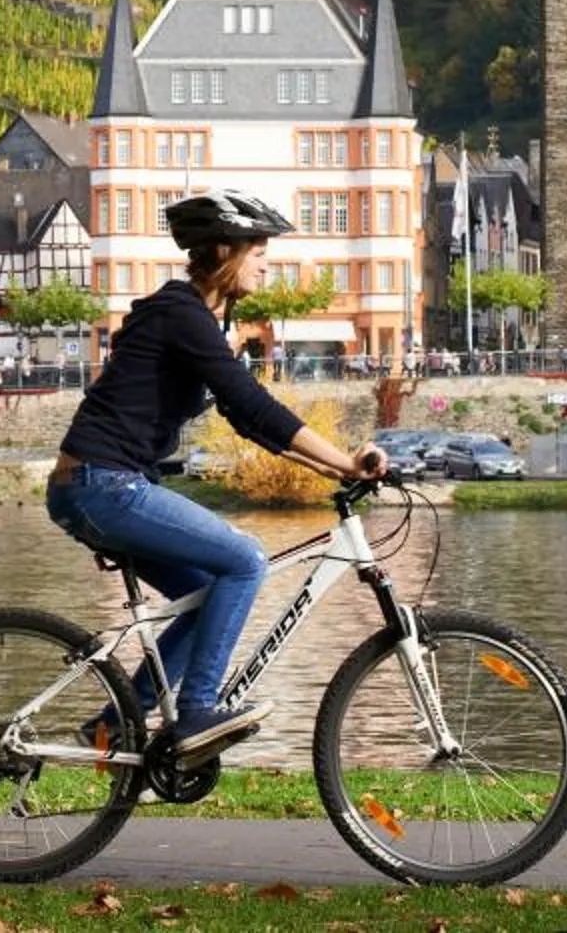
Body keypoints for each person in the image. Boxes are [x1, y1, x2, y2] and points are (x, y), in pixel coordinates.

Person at [46, 191, 386, 760]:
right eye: (259, 250)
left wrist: (335, 470)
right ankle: (197, 712)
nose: (266, 263)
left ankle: (114, 725)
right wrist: (347, 460)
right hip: (104, 485)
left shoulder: (189, 318)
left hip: (99, 486)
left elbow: (248, 423)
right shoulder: (182, 314)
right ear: (224, 250)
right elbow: (252, 402)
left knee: (207, 594)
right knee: (246, 560)